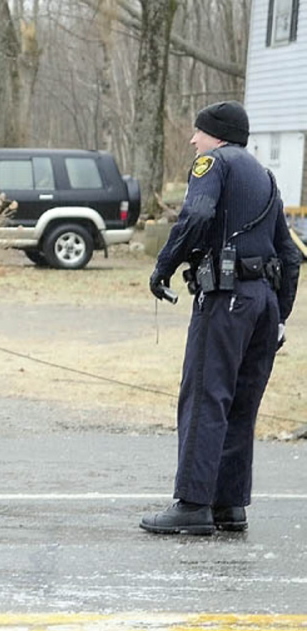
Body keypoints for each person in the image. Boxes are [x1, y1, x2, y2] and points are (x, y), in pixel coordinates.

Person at [143, 101, 300, 535]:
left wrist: (164, 266)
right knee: (240, 405)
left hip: (226, 299)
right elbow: (288, 254)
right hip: (263, 304)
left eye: (198, 132)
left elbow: (197, 214)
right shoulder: (265, 177)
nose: (193, 141)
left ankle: (192, 505)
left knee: (205, 397)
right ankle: (229, 506)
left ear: (216, 135)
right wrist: (280, 314)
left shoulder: (212, 163)